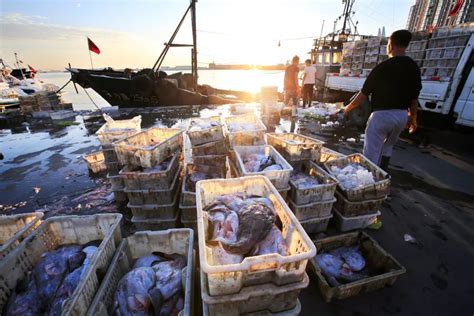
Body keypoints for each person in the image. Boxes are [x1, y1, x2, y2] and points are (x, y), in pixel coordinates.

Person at [344, 29, 421, 171]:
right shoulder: (413, 67)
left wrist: (347, 108)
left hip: (382, 116)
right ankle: (383, 175)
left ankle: (369, 182)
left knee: (371, 153)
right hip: (401, 116)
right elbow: (414, 99)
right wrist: (413, 118)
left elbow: (362, 95)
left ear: (390, 45)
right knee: (387, 147)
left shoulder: (383, 67)